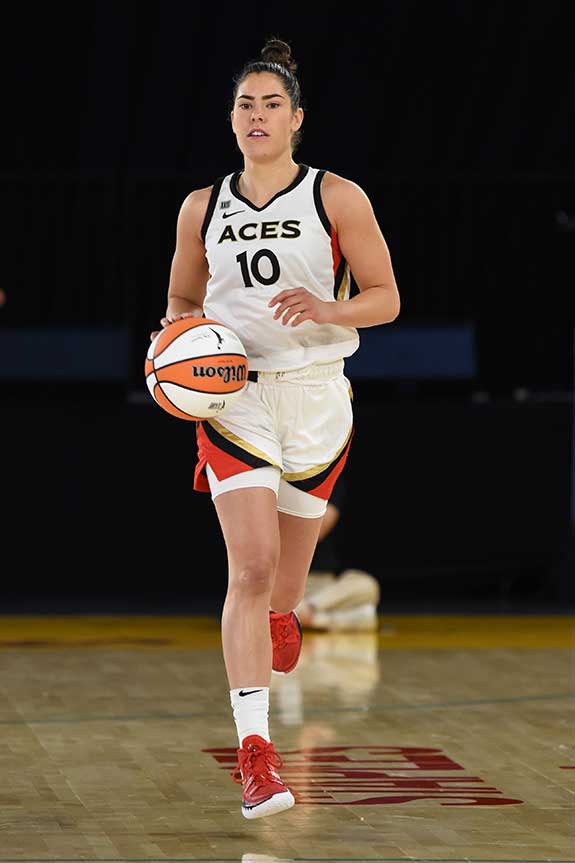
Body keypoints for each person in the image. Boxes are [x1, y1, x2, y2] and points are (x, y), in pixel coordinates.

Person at [150, 36, 400, 820]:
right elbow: (182, 305)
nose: (256, 116)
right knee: (249, 569)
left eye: (270, 104)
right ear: (230, 120)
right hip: (236, 400)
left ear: (295, 118)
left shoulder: (336, 197)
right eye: (244, 105)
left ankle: (284, 614)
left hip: (318, 396)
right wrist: (176, 345)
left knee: (281, 589)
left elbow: (386, 296)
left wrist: (330, 309)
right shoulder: (202, 206)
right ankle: (256, 753)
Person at [295, 477, 382, 632]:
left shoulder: (329, 476)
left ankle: (304, 613)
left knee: (367, 586)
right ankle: (318, 619)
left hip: (320, 585)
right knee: (366, 618)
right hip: (280, 582)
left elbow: (315, 532)